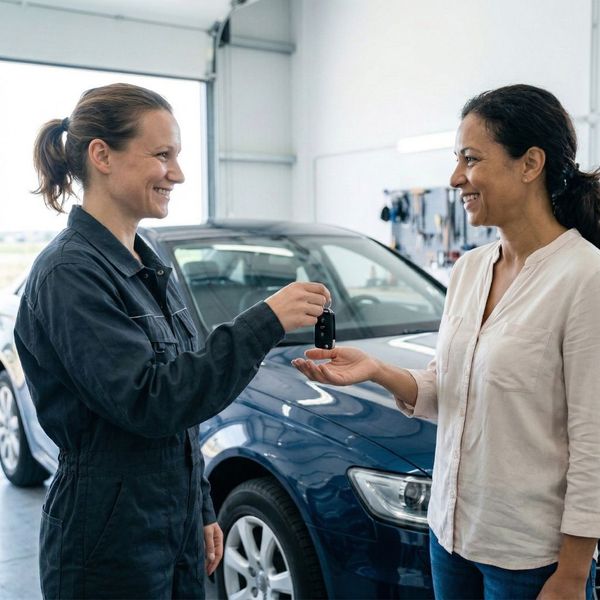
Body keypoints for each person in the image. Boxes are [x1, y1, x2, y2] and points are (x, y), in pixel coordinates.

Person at [14, 82, 330, 600]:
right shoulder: (70, 274)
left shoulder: (146, 262)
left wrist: (200, 506)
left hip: (172, 519)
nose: (178, 173)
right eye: (162, 155)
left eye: (178, 155)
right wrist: (266, 320)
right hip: (107, 537)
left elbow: (183, 409)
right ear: (102, 156)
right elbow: (152, 399)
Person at [293, 84, 600, 600]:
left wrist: (571, 574)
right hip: (450, 537)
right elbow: (450, 388)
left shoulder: (584, 277)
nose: (456, 177)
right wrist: (375, 370)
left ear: (530, 164)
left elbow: (594, 442)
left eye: (471, 159)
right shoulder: (471, 269)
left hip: (529, 558)